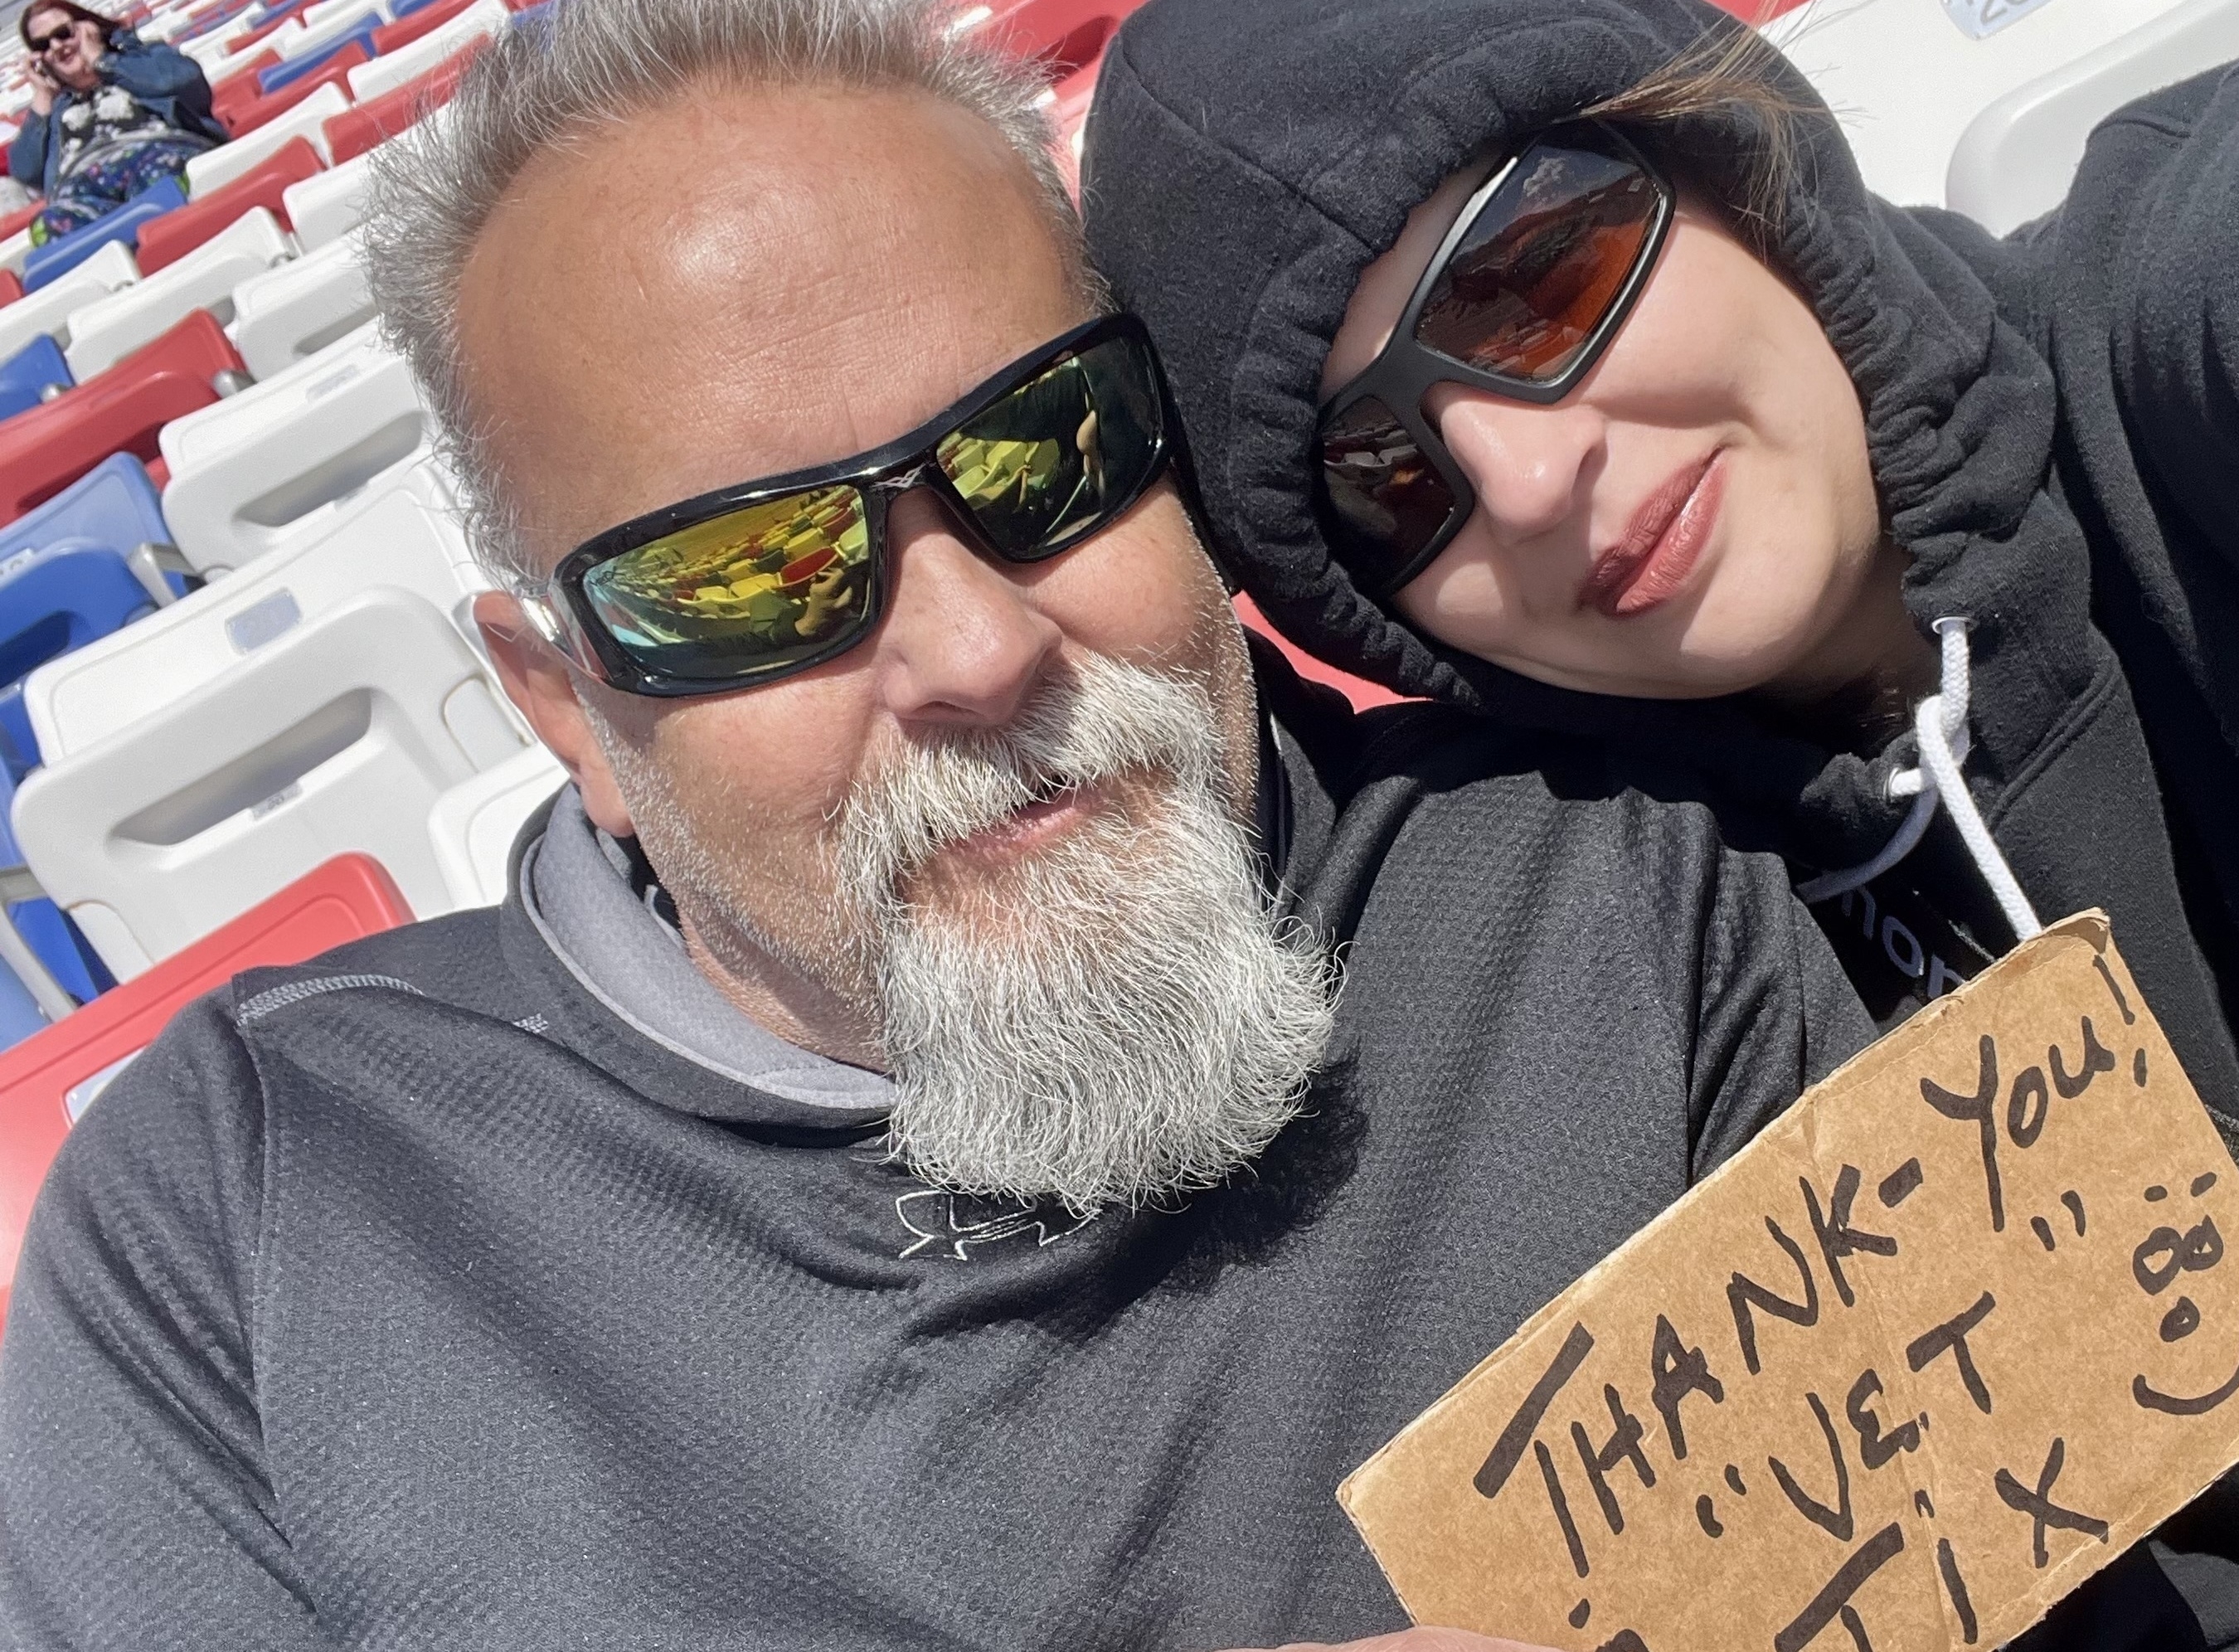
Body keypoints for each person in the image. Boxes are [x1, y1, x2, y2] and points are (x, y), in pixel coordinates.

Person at [0, 0, 1899, 1645]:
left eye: (1043, 451)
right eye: (751, 574)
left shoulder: (1606, 892)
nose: (979, 652)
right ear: (568, 710)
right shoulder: (253, 1218)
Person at [1076, 2, 2239, 1647]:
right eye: (1388, 479)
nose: (1526, 479)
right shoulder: (1651, 957)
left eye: (1530, 278)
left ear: (1717, 151)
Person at [7, 0, 225, 241]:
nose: (57, 46)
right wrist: (42, 96)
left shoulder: (143, 59)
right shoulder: (56, 109)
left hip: (156, 155)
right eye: (43, 45)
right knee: (48, 224)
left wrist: (101, 61)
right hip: (83, 187)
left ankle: (169, 244)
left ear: (88, 27)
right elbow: (25, 170)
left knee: (158, 176)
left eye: (63, 33)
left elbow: (182, 82)